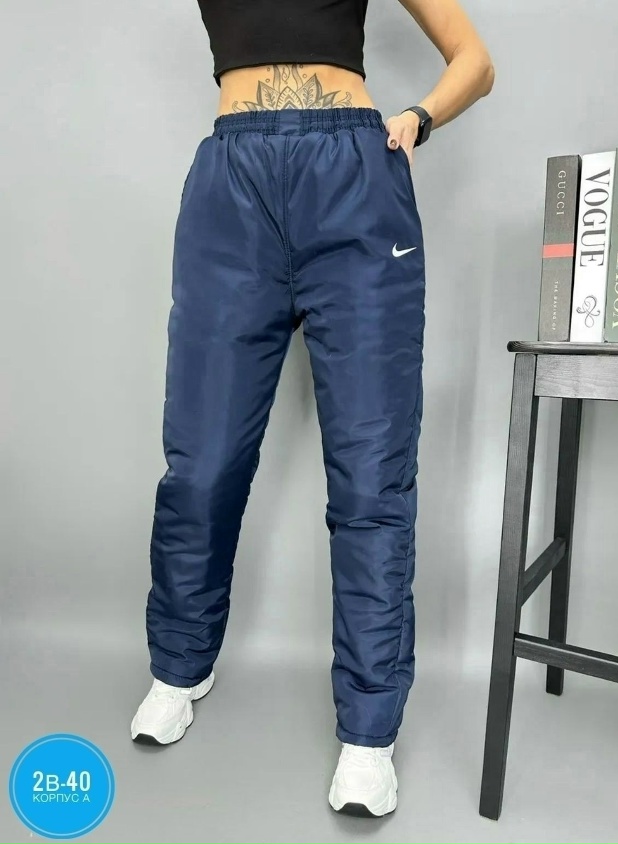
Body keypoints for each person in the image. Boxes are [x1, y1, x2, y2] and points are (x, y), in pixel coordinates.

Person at [130, 0, 494, 818]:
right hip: (233, 189)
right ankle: (179, 666)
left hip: (354, 185)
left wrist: (417, 119)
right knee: (201, 462)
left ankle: (368, 735)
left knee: (371, 474)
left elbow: (474, 61)